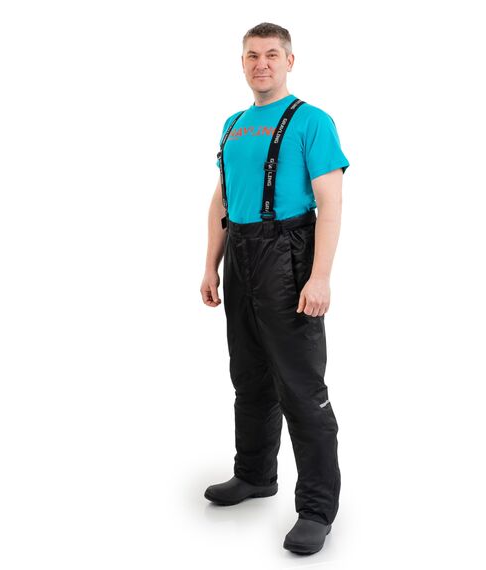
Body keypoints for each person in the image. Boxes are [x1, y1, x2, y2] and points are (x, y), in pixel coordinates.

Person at [199, 22, 350, 556]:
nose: (260, 63)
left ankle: (316, 510)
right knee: (249, 377)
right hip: (241, 256)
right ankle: (255, 474)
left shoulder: (312, 121)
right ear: (242, 63)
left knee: (301, 388)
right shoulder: (233, 124)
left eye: (270, 54)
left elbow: (330, 202)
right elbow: (222, 198)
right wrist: (210, 265)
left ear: (289, 60)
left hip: (288, 256)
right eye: (251, 55)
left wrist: (320, 275)